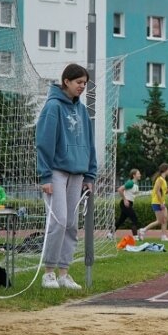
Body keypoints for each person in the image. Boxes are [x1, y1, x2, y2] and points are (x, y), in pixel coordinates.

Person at [36, 63, 97, 290]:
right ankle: (48, 273)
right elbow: (44, 142)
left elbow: (90, 144)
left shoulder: (82, 110)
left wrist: (90, 174)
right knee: (59, 220)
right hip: (57, 172)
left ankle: (64, 273)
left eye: (85, 83)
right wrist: (45, 177)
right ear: (66, 82)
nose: (82, 87)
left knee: (71, 223)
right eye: (79, 82)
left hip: (78, 173)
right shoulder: (53, 107)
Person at [139, 163, 168, 242]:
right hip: (156, 202)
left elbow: (163, 193)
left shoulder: (163, 180)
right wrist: (161, 203)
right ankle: (143, 230)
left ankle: (163, 237)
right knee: (160, 221)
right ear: (165, 170)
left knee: (165, 219)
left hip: (161, 202)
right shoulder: (159, 179)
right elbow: (157, 191)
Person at [115, 168, 142, 239]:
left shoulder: (135, 184)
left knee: (121, 220)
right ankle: (135, 237)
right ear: (134, 175)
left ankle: (110, 234)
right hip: (126, 204)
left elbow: (136, 194)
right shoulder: (130, 183)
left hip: (128, 203)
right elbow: (120, 189)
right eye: (138, 173)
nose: (140, 175)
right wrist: (125, 200)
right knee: (134, 218)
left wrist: (150, 192)